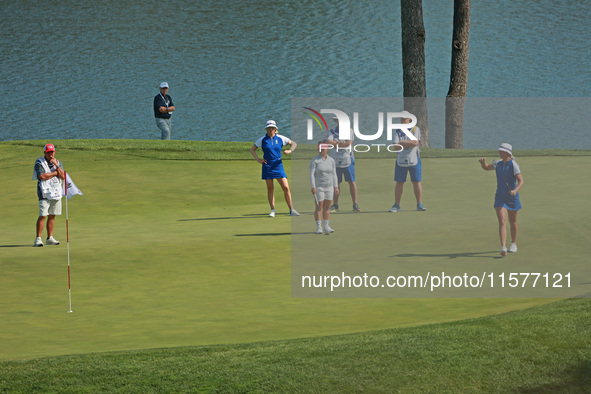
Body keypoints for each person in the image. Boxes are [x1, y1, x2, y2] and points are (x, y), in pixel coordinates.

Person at [478, 143, 524, 256]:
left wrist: (515, 191)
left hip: (512, 197)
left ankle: (513, 243)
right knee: (502, 221)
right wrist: (483, 163)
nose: (499, 152)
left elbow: (521, 181)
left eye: (502, 151)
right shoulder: (497, 163)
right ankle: (503, 246)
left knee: (513, 221)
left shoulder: (514, 165)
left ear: (507, 153)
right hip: (500, 197)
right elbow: (487, 168)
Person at [250, 120, 300, 217]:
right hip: (267, 166)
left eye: (272, 128)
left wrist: (290, 151)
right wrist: (258, 159)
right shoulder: (262, 139)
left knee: (286, 187)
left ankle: (291, 210)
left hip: (278, 165)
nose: (270, 130)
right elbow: (252, 149)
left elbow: (294, 144)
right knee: (270, 188)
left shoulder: (281, 138)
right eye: (268, 128)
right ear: (266, 129)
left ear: (275, 129)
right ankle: (272, 210)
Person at [389, 111, 427, 212]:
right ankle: (397, 205)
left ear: (409, 119)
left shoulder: (415, 129)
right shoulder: (397, 130)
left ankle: (419, 204)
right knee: (399, 182)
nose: (402, 121)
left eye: (404, 119)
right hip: (401, 160)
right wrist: (405, 144)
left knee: (416, 182)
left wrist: (402, 143)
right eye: (401, 119)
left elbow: (415, 142)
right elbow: (395, 147)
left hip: (414, 159)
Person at [33, 144, 65, 247]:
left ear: (54, 152)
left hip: (56, 192)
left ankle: (49, 238)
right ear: (44, 153)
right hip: (44, 193)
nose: (50, 154)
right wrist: (55, 173)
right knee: (43, 215)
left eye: (52, 152)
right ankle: (38, 239)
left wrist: (57, 166)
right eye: (48, 152)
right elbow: (42, 176)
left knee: (52, 215)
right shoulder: (39, 163)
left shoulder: (58, 162)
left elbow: (63, 176)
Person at [328, 117, 360, 212]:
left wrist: (337, 143)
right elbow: (329, 142)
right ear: (337, 121)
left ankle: (355, 204)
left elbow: (349, 143)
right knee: (336, 183)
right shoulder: (332, 131)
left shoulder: (349, 130)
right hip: (335, 161)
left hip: (348, 159)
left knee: (351, 182)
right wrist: (341, 143)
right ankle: (335, 204)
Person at [310, 141, 339, 234]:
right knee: (319, 207)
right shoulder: (315, 161)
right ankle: (319, 227)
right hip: (319, 187)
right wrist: (313, 187)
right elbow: (311, 175)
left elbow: (334, 174)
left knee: (327, 207)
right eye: (320, 149)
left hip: (329, 187)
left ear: (327, 149)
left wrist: (336, 187)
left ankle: (326, 226)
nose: (321, 151)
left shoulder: (331, 160)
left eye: (323, 149)